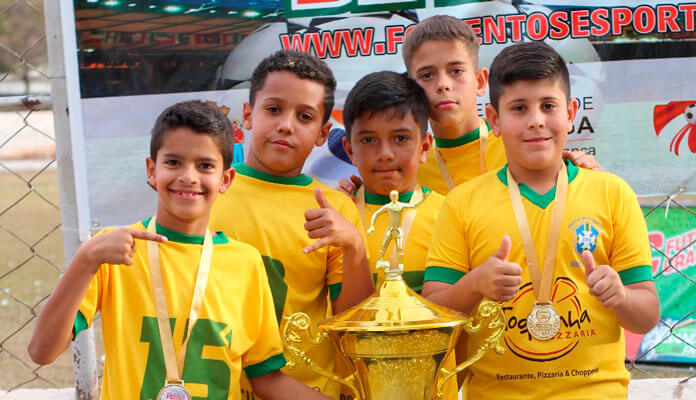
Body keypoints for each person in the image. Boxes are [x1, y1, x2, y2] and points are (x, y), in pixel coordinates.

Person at [27, 100, 332, 400]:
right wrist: (85, 259)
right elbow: (42, 350)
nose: (188, 176)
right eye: (173, 162)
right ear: (152, 170)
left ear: (226, 179)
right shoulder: (112, 253)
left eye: (205, 166)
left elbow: (265, 377)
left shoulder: (246, 263)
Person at [422, 42, 660, 399]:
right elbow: (434, 317)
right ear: (495, 120)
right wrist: (475, 284)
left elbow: (646, 315)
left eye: (548, 106)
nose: (536, 120)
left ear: (570, 113)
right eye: (519, 108)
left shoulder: (612, 194)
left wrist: (621, 296)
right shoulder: (462, 203)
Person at [209, 50, 374, 399]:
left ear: (322, 132)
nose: (286, 124)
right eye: (274, 109)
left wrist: (354, 247)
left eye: (304, 116)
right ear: (248, 115)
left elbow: (353, 325)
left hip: (305, 389)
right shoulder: (208, 195)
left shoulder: (334, 208)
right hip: (215, 388)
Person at [338, 15, 600, 197]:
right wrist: (363, 198)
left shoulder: (521, 145)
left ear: (479, 81)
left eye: (456, 71)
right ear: (412, 87)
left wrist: (587, 180)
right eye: (427, 75)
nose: (443, 85)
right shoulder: (405, 164)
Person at [340, 71, 456, 399]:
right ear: (349, 148)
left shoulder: (452, 214)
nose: (386, 153)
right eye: (368, 140)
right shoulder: (338, 217)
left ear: (425, 146)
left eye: (400, 138)